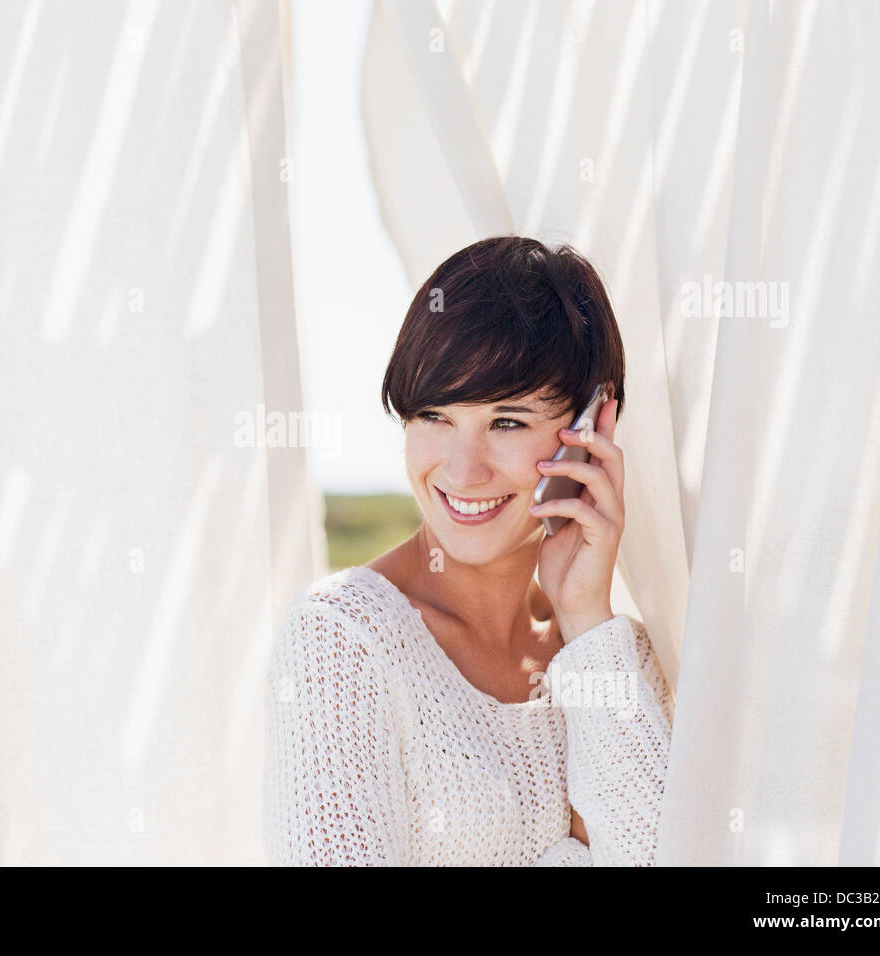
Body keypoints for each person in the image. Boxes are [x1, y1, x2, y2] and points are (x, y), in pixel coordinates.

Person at [262, 236, 675, 866]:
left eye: (506, 422)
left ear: (591, 429)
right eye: (435, 416)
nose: (463, 469)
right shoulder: (341, 639)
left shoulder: (614, 658)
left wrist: (586, 614)